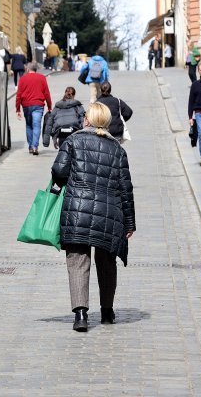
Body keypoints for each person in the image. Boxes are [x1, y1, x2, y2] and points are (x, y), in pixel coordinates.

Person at [51, 102, 136, 332]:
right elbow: (125, 188)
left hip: (78, 210)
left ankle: (80, 315)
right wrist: (129, 222)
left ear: (87, 120)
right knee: (107, 262)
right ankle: (107, 311)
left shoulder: (73, 141)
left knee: (78, 260)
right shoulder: (118, 149)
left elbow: (59, 172)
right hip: (109, 214)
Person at [15, 62, 52, 155]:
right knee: (37, 125)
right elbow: (46, 93)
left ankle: (31, 146)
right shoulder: (42, 78)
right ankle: (35, 146)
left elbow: (18, 95)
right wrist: (49, 106)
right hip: (38, 105)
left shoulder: (23, 79)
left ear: (27, 69)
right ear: (36, 69)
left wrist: (18, 109)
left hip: (26, 105)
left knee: (29, 125)